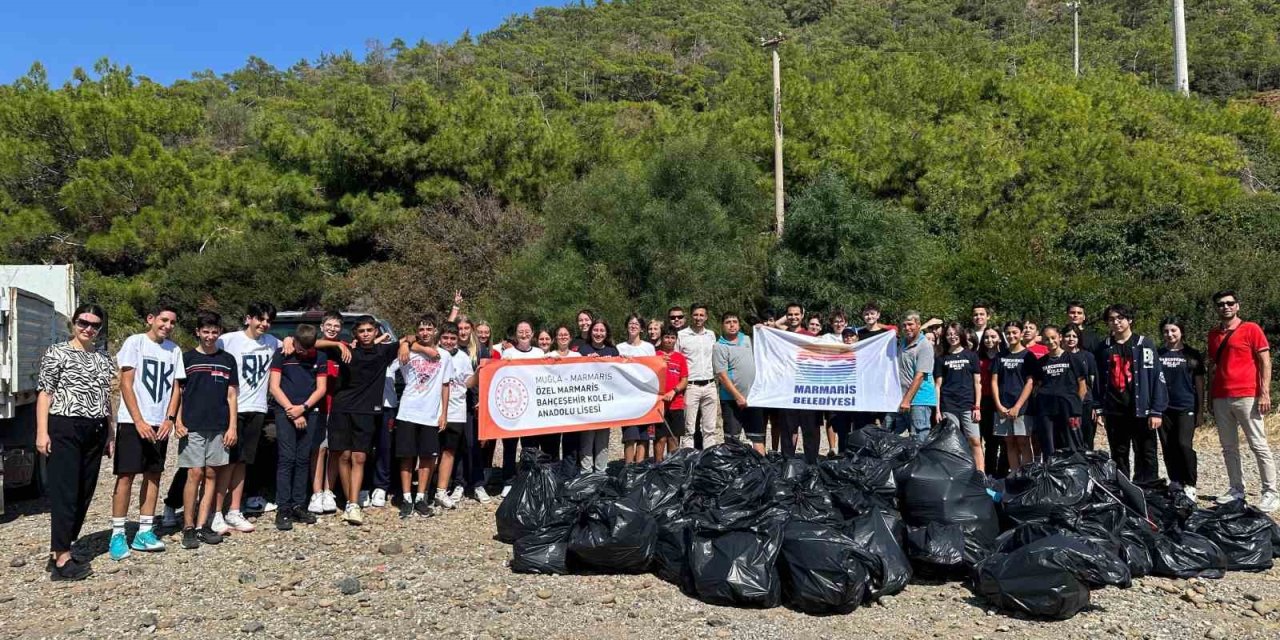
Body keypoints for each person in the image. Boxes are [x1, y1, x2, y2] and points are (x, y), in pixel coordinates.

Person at [37, 304, 116, 581]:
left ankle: (61, 547)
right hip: (65, 426)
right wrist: (42, 432)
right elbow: (45, 393)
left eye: (94, 325)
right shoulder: (57, 352)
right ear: (74, 322)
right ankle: (61, 558)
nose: (88, 329)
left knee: (85, 491)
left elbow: (106, 397)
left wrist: (110, 432)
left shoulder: (104, 358)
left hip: (95, 428)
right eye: (83, 322)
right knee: (66, 492)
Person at [109, 303, 185, 560]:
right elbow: (126, 384)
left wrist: (170, 419)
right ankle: (118, 533)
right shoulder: (136, 342)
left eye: (172, 322)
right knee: (126, 476)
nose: (167, 325)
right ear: (151, 319)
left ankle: (144, 530)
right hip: (133, 422)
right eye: (163, 320)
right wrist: (139, 420)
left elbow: (176, 388)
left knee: (153, 475)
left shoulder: (174, 350)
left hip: (159, 423)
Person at [315, 315, 405, 525]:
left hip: (366, 412)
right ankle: (351, 502)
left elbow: (411, 337)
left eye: (369, 330)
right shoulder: (346, 350)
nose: (365, 334)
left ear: (376, 332)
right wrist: (337, 343)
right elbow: (312, 342)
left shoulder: (383, 351)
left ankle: (353, 503)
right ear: (355, 333)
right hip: (342, 409)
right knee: (343, 455)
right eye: (361, 331)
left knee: (360, 457)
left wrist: (405, 345)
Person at [1206, 290, 1277, 510]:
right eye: (1221, 304)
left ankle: (1271, 492)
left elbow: (1265, 361)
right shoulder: (1213, 334)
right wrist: (1209, 396)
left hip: (1247, 394)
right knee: (1228, 447)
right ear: (1216, 308)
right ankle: (1236, 489)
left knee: (1258, 444)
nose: (1225, 307)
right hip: (1221, 396)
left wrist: (1264, 392)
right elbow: (1213, 367)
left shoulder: (1251, 329)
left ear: (1237, 306)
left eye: (1230, 303)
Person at [214, 302, 280, 534]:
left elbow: (303, 342)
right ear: (248, 319)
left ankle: (234, 510)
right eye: (260, 319)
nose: (264, 324)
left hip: (258, 408)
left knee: (243, 461)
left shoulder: (272, 342)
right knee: (225, 462)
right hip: (232, 408)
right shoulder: (228, 340)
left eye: (269, 320)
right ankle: (216, 512)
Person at [174, 311, 236, 548]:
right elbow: (178, 393)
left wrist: (232, 426)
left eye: (214, 332)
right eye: (206, 332)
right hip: (192, 426)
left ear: (220, 332)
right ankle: (188, 526)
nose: (210, 336)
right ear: (197, 332)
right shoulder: (187, 358)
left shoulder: (228, 359)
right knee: (194, 474)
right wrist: (178, 421)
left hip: (219, 426)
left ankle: (202, 525)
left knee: (212, 474)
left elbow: (232, 395)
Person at [1094, 304, 1167, 485]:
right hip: (1115, 410)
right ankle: (1123, 489)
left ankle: (1147, 488)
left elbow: (1156, 377)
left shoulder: (1144, 344)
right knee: (1118, 453)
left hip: (1141, 409)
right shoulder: (1104, 347)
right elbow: (1098, 381)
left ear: (1130, 320)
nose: (1116, 322)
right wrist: (1099, 407)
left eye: (1120, 318)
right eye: (1112, 319)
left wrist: (1156, 410)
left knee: (1146, 451)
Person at [267, 324, 328, 530]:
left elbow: (321, 388)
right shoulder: (282, 354)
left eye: (308, 350)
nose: (304, 353)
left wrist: (303, 408)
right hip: (285, 411)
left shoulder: (319, 357)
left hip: (309, 411)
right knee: (287, 458)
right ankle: (283, 507)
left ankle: (299, 504)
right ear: (294, 342)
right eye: (301, 349)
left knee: (303, 459)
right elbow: (274, 387)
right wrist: (291, 411)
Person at [393, 315, 449, 518]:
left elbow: (445, 385)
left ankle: (420, 497)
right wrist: (405, 344)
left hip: (430, 414)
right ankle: (407, 497)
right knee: (407, 456)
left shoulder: (444, 356)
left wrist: (444, 413)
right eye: (421, 329)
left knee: (427, 457)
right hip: (408, 411)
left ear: (435, 331)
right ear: (416, 332)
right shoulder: (407, 351)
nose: (425, 332)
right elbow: (391, 360)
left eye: (429, 329)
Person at [495, 321, 545, 496]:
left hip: (532, 408)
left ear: (532, 333)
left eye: (527, 331)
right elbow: (499, 376)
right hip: (512, 408)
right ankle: (508, 481)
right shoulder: (508, 353)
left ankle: (528, 479)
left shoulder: (539, 353)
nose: (524, 334)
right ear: (516, 335)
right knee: (509, 446)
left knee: (530, 446)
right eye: (520, 331)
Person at [1159, 317, 1205, 501]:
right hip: (1163, 408)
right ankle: (1175, 480)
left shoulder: (1192, 354)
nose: (1170, 334)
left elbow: (1200, 384)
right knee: (1168, 446)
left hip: (1186, 406)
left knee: (1184, 445)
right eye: (1166, 331)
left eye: (1173, 330)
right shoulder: (1158, 353)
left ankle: (1190, 483)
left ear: (1181, 332)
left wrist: (1200, 410)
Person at [1030, 325, 1088, 460]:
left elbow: (1082, 387)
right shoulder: (1041, 362)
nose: (1050, 341)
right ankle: (1051, 470)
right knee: (1049, 446)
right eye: (1046, 339)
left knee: (1073, 444)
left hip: (1069, 409)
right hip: (1047, 410)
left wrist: (1075, 406)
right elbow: (1038, 385)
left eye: (1053, 338)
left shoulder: (1073, 359)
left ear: (1060, 337)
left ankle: (1076, 469)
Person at [435, 322, 475, 509]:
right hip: (434, 411)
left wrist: (480, 373)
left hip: (456, 411)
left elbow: (468, 382)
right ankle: (424, 491)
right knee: (432, 452)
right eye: (445, 338)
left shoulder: (463, 357)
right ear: (440, 338)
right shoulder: (433, 353)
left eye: (453, 338)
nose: (449, 341)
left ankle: (441, 491)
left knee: (449, 451)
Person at [307, 311, 344, 515]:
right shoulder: (314, 348)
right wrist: (337, 344)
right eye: (329, 325)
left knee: (334, 450)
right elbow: (310, 343)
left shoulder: (345, 349)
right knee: (319, 450)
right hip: (317, 407)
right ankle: (317, 492)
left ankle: (329, 491)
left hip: (339, 408)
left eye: (336, 326)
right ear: (321, 327)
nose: (332, 329)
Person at [934, 322, 983, 470]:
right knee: (952, 442)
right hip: (948, 405)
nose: (952, 337)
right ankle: (955, 475)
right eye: (949, 334)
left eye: (955, 333)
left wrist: (977, 406)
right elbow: (937, 385)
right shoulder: (941, 358)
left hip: (968, 405)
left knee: (975, 441)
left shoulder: (971, 355)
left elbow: (977, 383)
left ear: (961, 335)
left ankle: (980, 474)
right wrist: (937, 410)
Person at [715, 312, 763, 453]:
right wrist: (738, 396)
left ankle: (761, 465)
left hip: (753, 398)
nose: (732, 325)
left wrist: (763, 328)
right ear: (722, 325)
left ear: (739, 324)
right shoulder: (719, 346)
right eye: (728, 322)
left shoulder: (748, 339)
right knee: (732, 440)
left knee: (757, 438)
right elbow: (722, 376)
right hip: (731, 400)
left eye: (734, 322)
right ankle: (732, 466)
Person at [992, 321, 1036, 472]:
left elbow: (1030, 382)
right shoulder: (1000, 356)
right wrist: (998, 405)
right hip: (1003, 405)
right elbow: (994, 381)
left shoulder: (1028, 356)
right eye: (1008, 333)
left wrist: (1017, 406)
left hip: (1022, 407)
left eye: (1014, 332)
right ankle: (1015, 474)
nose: (1011, 336)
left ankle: (1027, 475)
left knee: (1023, 442)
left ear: (1021, 333)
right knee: (1009, 442)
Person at [886, 311, 936, 444]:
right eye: (904, 325)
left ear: (918, 325)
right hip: (901, 398)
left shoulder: (924, 345)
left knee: (918, 439)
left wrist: (906, 401)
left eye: (910, 324)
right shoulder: (902, 343)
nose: (907, 328)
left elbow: (920, 375)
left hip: (919, 400)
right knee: (890, 434)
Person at [578, 319, 619, 472]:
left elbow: (619, 375)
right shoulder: (583, 350)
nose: (598, 333)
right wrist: (587, 361)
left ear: (606, 333)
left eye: (602, 330)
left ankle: (601, 472)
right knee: (587, 439)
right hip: (587, 401)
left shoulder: (613, 351)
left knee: (603, 439)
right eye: (595, 330)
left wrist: (611, 363)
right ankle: (586, 472)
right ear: (591, 332)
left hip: (605, 402)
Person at [678, 303, 720, 450]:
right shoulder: (682, 335)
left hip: (710, 385)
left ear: (706, 317)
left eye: (701, 315)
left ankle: (709, 457)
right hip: (691, 386)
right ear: (691, 316)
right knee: (689, 428)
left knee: (710, 429)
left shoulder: (711, 335)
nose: (698, 318)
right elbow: (677, 360)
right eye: (695, 314)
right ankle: (689, 457)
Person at [617, 314, 657, 464]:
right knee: (629, 436)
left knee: (644, 436)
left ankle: (639, 467)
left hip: (646, 398)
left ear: (641, 329)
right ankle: (628, 468)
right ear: (626, 326)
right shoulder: (619, 348)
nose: (633, 326)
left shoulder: (649, 348)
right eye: (630, 323)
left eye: (636, 324)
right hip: (627, 399)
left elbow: (655, 370)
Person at [1062, 325, 1099, 450]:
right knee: (1066, 441)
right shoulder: (1058, 356)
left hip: (1085, 404)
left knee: (1086, 441)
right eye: (1068, 336)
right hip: (1064, 406)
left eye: (1074, 336)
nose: (1071, 339)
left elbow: (1094, 382)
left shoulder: (1088, 356)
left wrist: (1095, 406)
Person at [655, 325, 688, 462]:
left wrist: (674, 391)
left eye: (672, 338)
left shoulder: (680, 358)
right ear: (661, 339)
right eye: (667, 337)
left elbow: (684, 380)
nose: (669, 340)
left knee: (673, 438)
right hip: (659, 404)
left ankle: (672, 466)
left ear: (676, 340)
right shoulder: (655, 355)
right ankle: (657, 465)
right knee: (660, 438)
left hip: (676, 403)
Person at [976, 327, 1007, 478]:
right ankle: (984, 473)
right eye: (986, 337)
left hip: (1000, 401)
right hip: (982, 401)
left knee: (999, 440)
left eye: (993, 337)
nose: (989, 340)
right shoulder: (977, 357)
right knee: (982, 439)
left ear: (1000, 338)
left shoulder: (1005, 357)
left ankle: (999, 473)